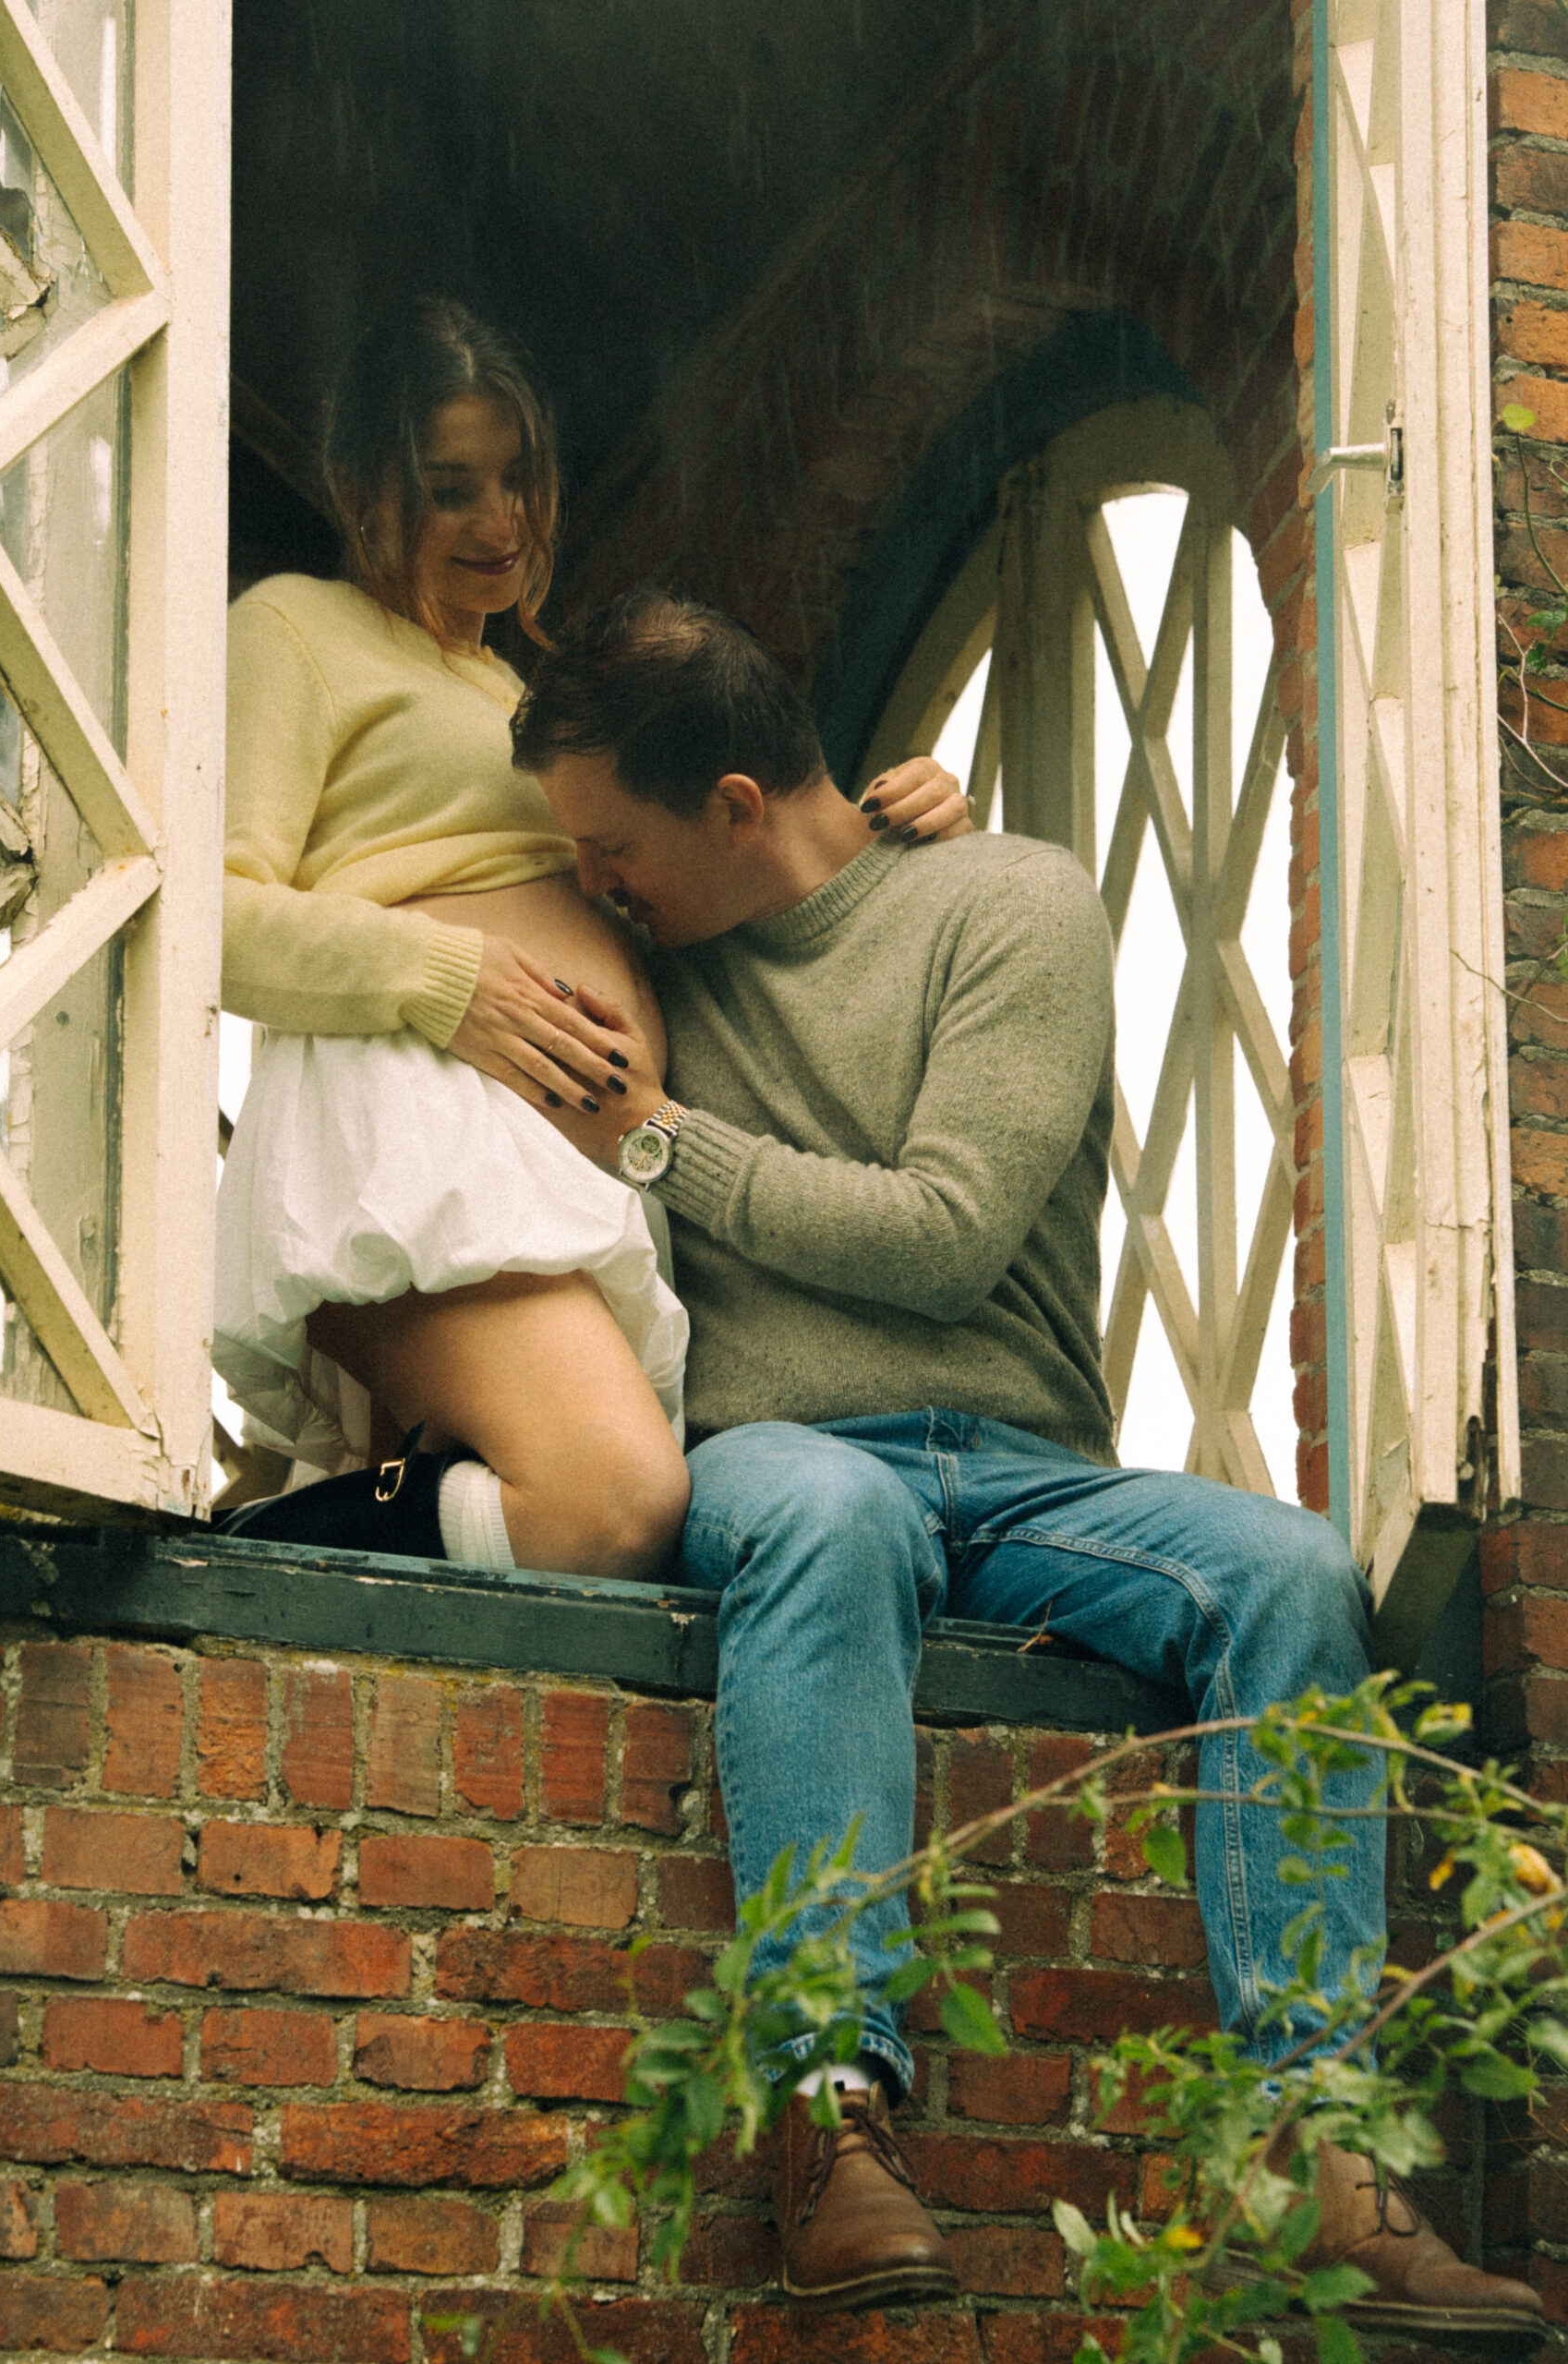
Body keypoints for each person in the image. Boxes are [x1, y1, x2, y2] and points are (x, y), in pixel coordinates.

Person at [507, 590, 1545, 2342]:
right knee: (824, 1516)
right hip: (794, 1460)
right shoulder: (645, 958)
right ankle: (832, 2111)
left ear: (739, 806)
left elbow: (945, 1235)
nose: (596, 885)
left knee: (1287, 1566)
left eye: (617, 848)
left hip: (1032, 1471)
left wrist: (660, 1143)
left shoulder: (1015, 902)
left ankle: (1324, 2148)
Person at [211, 299, 963, 1582]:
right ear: (363, 488)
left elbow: (725, 855)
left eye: (519, 483)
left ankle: (333, 1557)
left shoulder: (527, 695)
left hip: (563, 1150)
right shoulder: (293, 630)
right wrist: (446, 981)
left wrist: (899, 824)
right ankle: (245, 1555)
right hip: (421, 1124)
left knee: (579, 1521)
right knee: (611, 1506)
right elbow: (205, 923)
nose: (501, 526)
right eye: (452, 490)